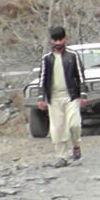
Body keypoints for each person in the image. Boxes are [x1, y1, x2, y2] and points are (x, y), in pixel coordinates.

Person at [38, 26, 87, 167]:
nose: (58, 43)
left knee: (74, 124)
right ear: (51, 41)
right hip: (54, 98)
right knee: (57, 128)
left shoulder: (73, 55)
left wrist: (83, 94)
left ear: (65, 39)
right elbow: (42, 78)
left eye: (60, 39)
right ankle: (62, 156)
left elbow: (80, 75)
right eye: (55, 40)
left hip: (71, 96)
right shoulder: (46, 59)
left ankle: (76, 145)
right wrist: (41, 97)